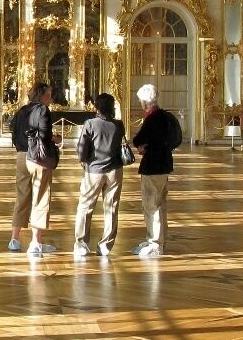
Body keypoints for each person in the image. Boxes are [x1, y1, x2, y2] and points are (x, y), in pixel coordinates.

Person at [8, 82, 59, 255]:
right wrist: (55, 139)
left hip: (22, 157)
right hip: (38, 158)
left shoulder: (22, 110)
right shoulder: (43, 110)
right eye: (48, 95)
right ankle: (36, 242)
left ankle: (14, 239)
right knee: (41, 197)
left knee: (21, 197)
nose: (50, 99)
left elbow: (14, 133)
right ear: (41, 96)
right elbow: (44, 135)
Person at [130, 83, 179, 257]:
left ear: (145, 101)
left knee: (152, 206)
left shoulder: (153, 118)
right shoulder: (166, 116)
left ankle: (155, 243)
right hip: (164, 164)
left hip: (153, 166)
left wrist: (146, 147)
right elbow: (175, 139)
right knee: (160, 205)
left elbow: (139, 139)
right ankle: (159, 240)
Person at [73, 92, 125, 258]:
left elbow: (82, 146)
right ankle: (105, 245)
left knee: (85, 206)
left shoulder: (90, 124)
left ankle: (81, 244)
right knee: (111, 208)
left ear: (97, 107)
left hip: (94, 170)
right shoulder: (119, 124)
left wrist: (82, 160)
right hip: (115, 170)